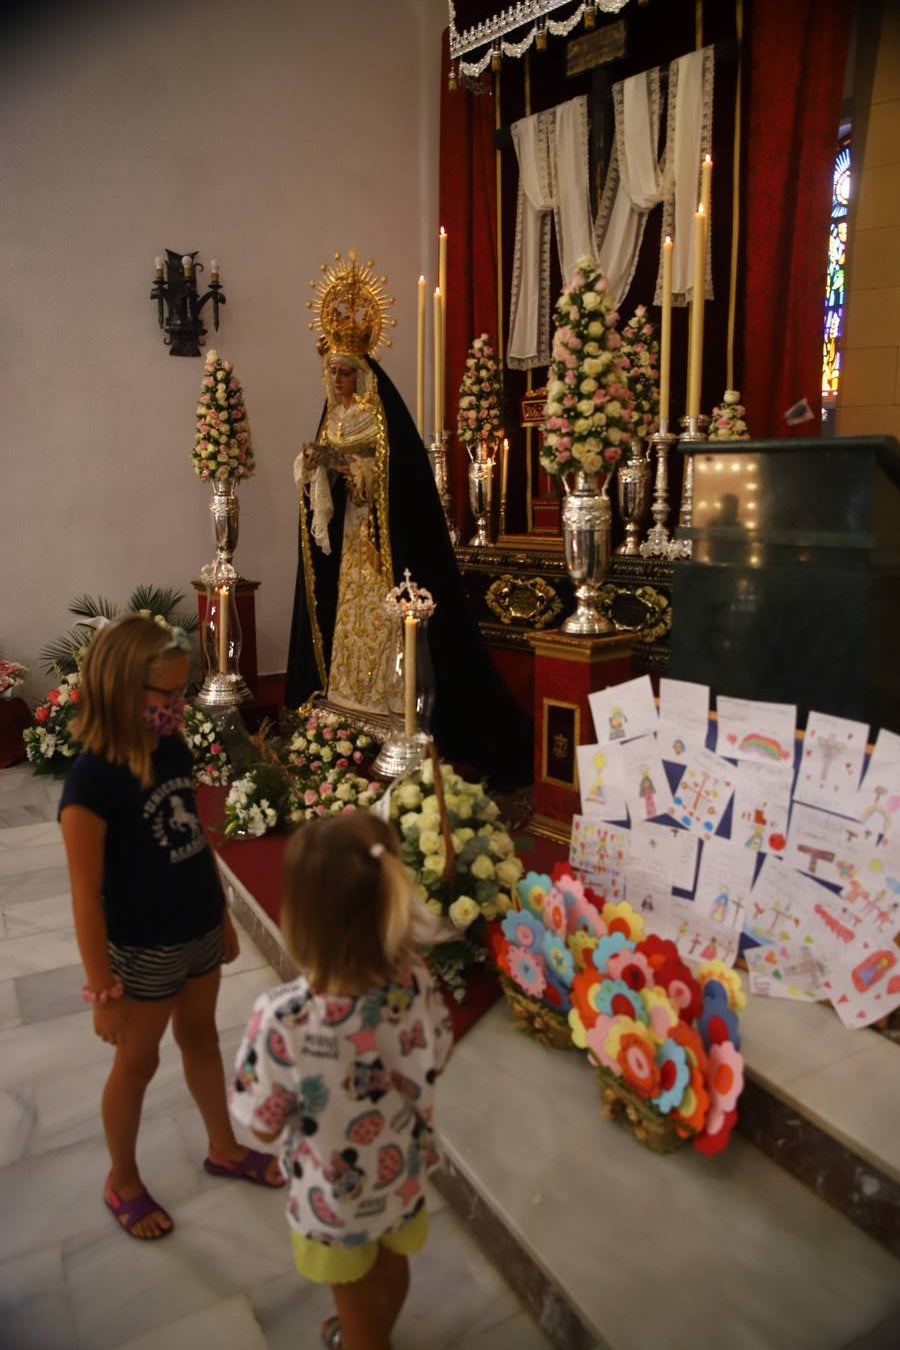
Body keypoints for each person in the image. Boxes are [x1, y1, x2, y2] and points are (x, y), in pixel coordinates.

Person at [58, 614, 283, 1242]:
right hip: (141, 948)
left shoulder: (173, 748)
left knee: (203, 1041)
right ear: (121, 692)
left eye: (182, 695)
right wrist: (102, 988)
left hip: (196, 930)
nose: (178, 709)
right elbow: (85, 895)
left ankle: (223, 1147)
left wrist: (221, 915)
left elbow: (195, 841)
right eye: (167, 698)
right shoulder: (91, 784)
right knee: (137, 1063)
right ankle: (122, 1180)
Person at [285, 251, 533, 786]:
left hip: (382, 541)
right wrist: (316, 466)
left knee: (381, 616)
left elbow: (392, 476)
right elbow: (328, 474)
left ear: (361, 372)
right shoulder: (335, 415)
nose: (338, 381)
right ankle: (348, 697)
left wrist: (355, 473)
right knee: (349, 618)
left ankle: (394, 702)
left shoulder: (378, 414)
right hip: (350, 540)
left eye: (345, 373)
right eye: (332, 373)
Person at [229, 810, 453, 1350]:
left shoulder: (283, 1021)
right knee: (392, 1267)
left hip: (333, 1196)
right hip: (400, 1173)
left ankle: (362, 1338)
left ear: (299, 919)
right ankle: (375, 1331)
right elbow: (437, 1051)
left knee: (353, 1297)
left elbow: (260, 1125)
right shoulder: (415, 981)